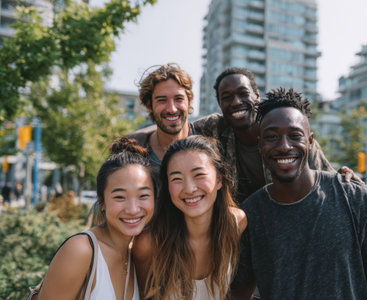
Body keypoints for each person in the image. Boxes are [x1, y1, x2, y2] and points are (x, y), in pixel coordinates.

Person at [231, 88, 367, 299]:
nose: (284, 146)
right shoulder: (251, 214)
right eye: (272, 137)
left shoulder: (358, 200)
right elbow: (239, 292)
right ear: (260, 145)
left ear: (310, 142)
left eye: (295, 136)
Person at [193, 67, 360, 203]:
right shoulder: (213, 128)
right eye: (227, 97)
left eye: (243, 94)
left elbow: (326, 177)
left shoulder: (287, 134)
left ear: (257, 96)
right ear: (220, 104)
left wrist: (345, 178)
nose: (236, 102)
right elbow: (178, 134)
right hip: (240, 227)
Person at [35, 138, 155, 299]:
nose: (133, 209)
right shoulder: (81, 250)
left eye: (143, 196)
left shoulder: (136, 255)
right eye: (120, 197)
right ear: (102, 202)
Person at [133, 135, 246, 300]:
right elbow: (140, 295)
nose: (189, 188)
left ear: (219, 180)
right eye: (177, 179)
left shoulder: (236, 223)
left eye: (199, 175)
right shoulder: (150, 243)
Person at [128, 63, 197, 178]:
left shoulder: (211, 139)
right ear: (149, 105)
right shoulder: (131, 152)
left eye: (178, 99)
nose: (172, 109)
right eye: (162, 100)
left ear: (189, 101)